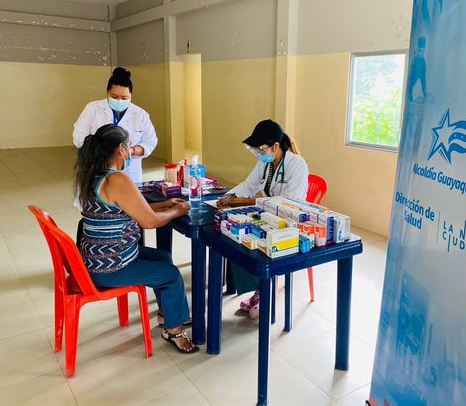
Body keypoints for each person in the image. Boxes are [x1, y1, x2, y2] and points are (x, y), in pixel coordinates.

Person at [74, 124, 198, 354]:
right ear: (121, 149)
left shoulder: (95, 175)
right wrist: (176, 211)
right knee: (171, 275)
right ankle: (174, 330)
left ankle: (168, 315)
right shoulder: (116, 179)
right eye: (129, 146)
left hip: (96, 260)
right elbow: (149, 222)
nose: (131, 151)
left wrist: (164, 204)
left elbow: (129, 208)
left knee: (162, 257)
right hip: (110, 267)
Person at [217, 119, 308, 318]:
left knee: (254, 240)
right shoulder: (265, 161)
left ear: (275, 146)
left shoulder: (297, 165)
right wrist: (229, 197)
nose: (259, 153)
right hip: (268, 216)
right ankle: (259, 287)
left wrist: (250, 202)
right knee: (236, 236)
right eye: (256, 150)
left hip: (289, 223)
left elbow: (289, 204)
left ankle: (267, 288)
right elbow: (249, 184)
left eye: (261, 149)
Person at [73, 67, 157, 184]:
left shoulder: (140, 115)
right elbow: (78, 137)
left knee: (127, 194)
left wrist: (130, 151)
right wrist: (101, 150)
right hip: (97, 168)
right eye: (114, 97)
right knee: (98, 193)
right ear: (107, 93)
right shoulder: (93, 108)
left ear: (131, 96)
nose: (119, 101)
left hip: (129, 172)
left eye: (124, 98)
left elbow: (150, 142)